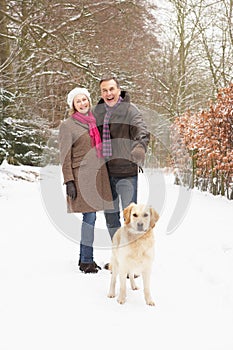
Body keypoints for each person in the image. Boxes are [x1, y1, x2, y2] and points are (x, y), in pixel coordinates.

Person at [59, 87, 113, 274]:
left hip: (99, 176)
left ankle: (85, 258)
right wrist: (69, 181)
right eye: (78, 101)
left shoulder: (94, 122)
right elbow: (65, 156)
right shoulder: (68, 125)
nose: (82, 103)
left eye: (84, 100)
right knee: (89, 217)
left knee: (93, 216)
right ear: (73, 105)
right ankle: (86, 261)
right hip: (81, 176)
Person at [93, 76, 150, 241]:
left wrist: (139, 147)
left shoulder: (130, 110)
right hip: (105, 172)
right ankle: (118, 253)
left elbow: (142, 130)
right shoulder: (98, 112)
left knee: (130, 218)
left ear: (118, 90)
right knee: (111, 218)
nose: (108, 93)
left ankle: (131, 256)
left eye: (111, 89)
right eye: (104, 90)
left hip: (126, 172)